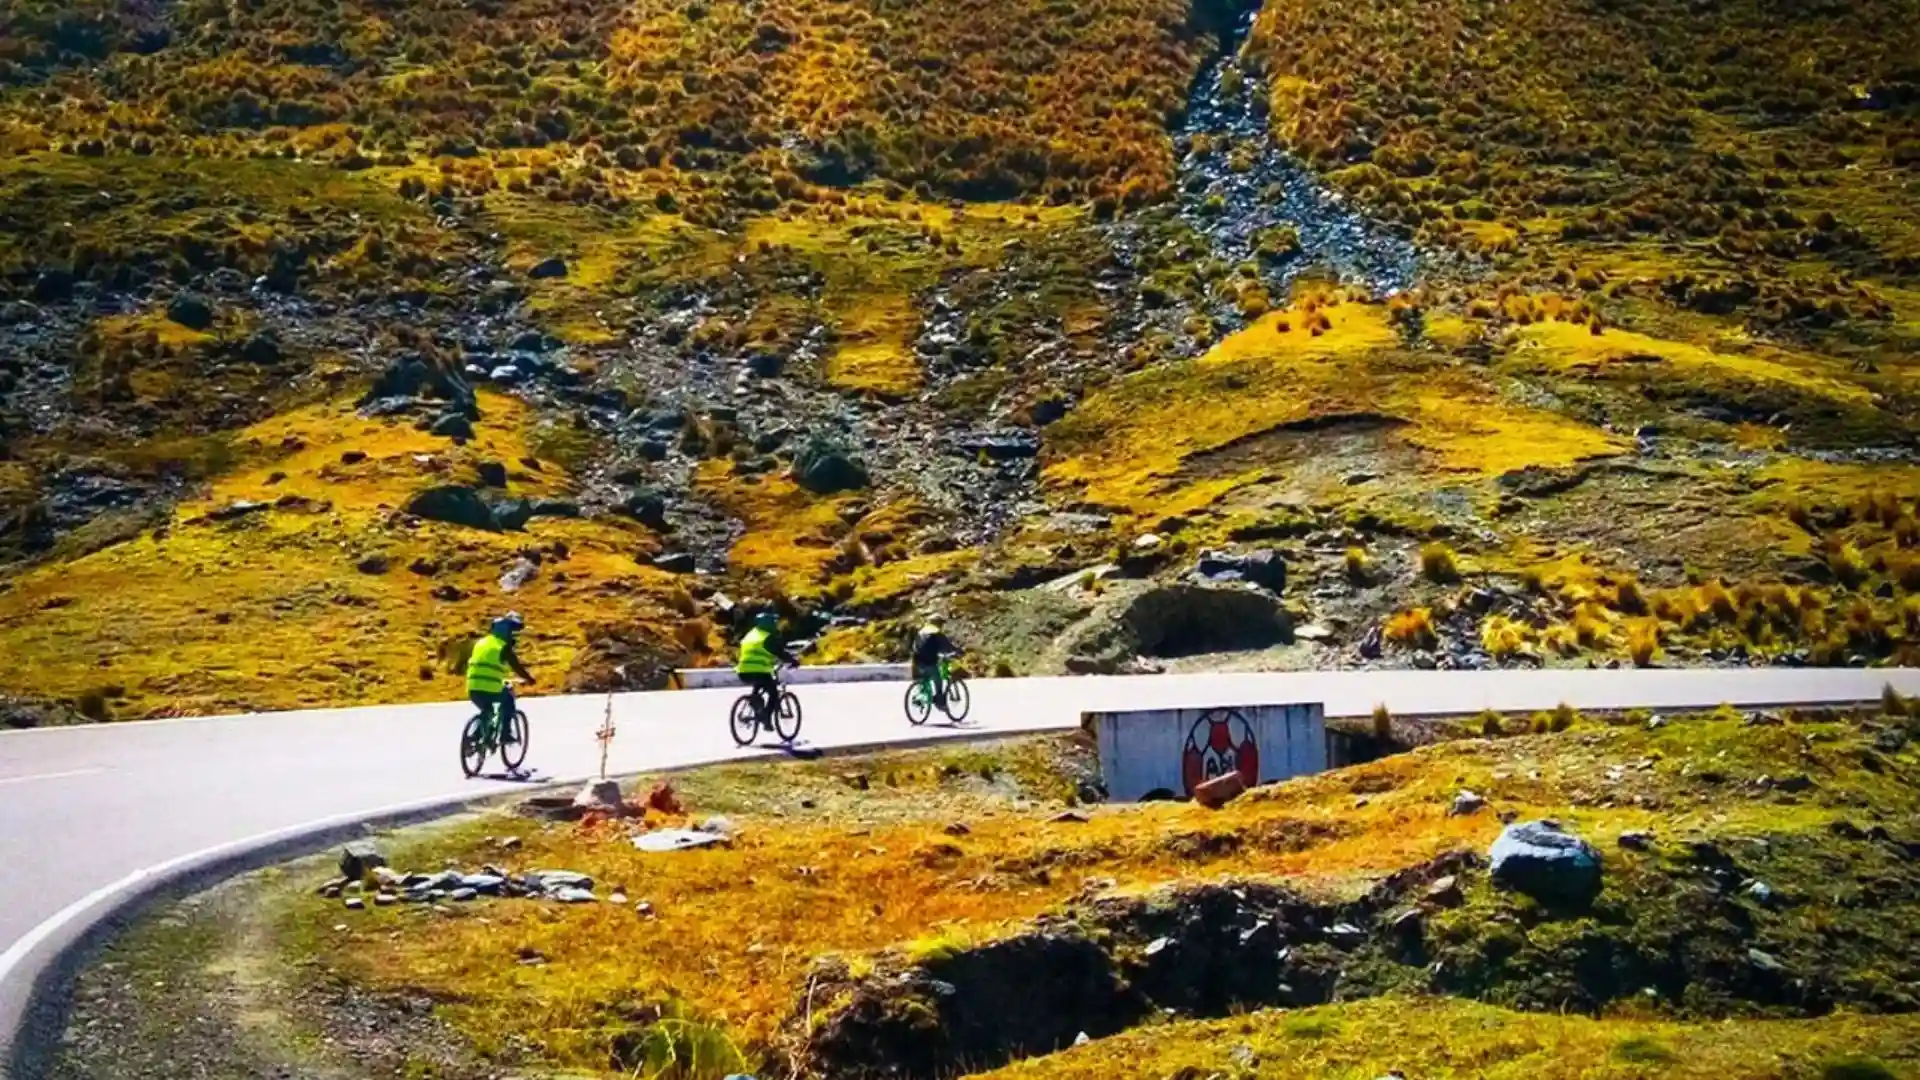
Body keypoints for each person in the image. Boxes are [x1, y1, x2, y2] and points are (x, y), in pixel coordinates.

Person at [467, 612, 533, 741]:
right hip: (490, 687)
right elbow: (517, 667)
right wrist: (529, 679)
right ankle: (505, 735)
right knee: (508, 700)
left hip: (472, 686)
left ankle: (475, 738)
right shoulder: (503, 647)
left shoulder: (481, 642)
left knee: (487, 710)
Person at [735, 610, 796, 720]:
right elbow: (780, 652)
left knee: (759, 685)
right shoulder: (767, 638)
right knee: (773, 694)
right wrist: (793, 661)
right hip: (759, 671)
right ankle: (766, 718)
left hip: (742, 672)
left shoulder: (750, 635)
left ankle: (755, 702)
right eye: (774, 622)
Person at [911, 615, 960, 703]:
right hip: (929, 661)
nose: (942, 626)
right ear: (938, 623)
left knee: (924, 678)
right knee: (938, 678)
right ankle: (939, 698)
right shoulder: (936, 632)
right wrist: (957, 651)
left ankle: (921, 694)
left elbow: (916, 645)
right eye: (941, 623)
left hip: (917, 660)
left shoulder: (922, 631)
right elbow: (947, 646)